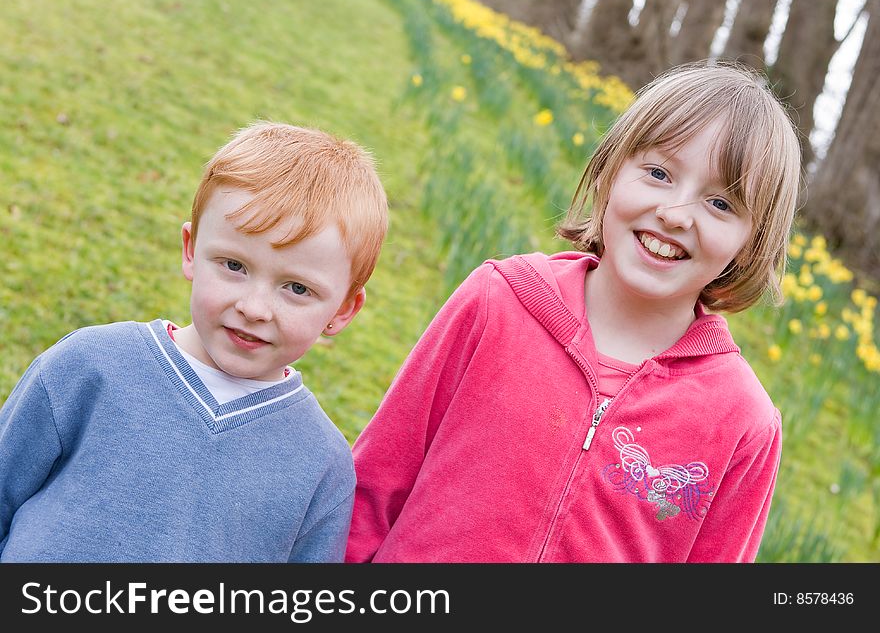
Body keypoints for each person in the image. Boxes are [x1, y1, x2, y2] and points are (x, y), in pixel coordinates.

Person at [346, 62, 800, 563]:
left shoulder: (742, 421)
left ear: (751, 243)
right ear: (609, 171)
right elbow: (375, 487)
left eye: (720, 203)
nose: (675, 214)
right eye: (658, 173)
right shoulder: (499, 301)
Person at [0, 122, 388, 562]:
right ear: (191, 249)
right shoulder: (88, 366)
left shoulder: (322, 466)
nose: (255, 307)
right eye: (234, 265)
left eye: (297, 288)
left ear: (342, 310)